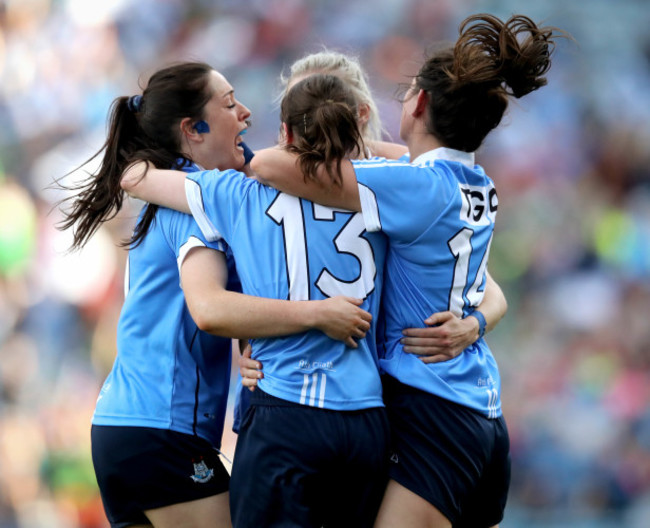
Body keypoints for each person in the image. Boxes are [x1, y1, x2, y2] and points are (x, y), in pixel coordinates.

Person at [249, 13, 563, 528]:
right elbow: (491, 289)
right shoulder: (478, 183)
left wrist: (323, 132)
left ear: (418, 104)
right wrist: (479, 323)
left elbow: (268, 166)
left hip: (433, 410)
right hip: (479, 410)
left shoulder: (412, 188)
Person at [57, 62, 374, 528]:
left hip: (126, 428)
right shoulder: (193, 207)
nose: (245, 114)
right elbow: (208, 309)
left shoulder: (174, 193)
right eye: (228, 104)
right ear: (193, 129)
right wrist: (317, 314)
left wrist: (249, 345)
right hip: (164, 430)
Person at [232, 48, 494, 434]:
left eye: (327, 100)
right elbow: (237, 297)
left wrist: (474, 323)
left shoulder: (397, 187)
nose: (314, 114)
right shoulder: (264, 192)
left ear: (362, 114)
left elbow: (486, 285)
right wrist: (247, 345)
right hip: (284, 398)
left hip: (379, 407)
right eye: (300, 105)